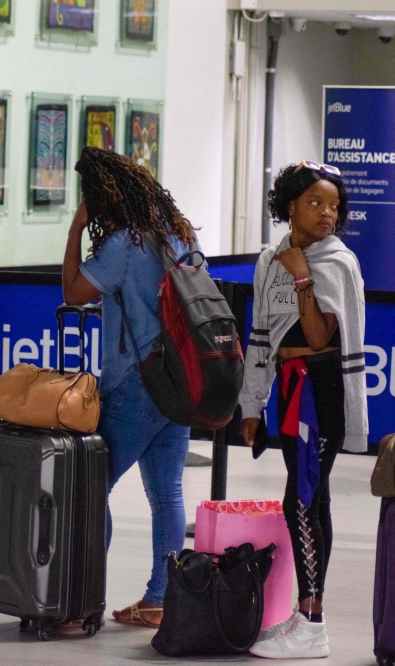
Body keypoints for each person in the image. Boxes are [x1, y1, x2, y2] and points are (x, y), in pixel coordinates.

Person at [61, 147, 195, 629]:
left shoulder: (123, 244)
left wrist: (77, 229)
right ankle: (160, 598)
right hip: (179, 379)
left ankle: (82, 600)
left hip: (137, 382)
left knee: (91, 489)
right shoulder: (179, 235)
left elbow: (73, 291)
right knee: (167, 494)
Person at [242, 162, 367, 659]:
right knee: (315, 501)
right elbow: (259, 338)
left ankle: (312, 623)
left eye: (334, 205)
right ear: (289, 205)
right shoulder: (270, 258)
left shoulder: (336, 261)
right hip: (292, 390)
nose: (327, 214)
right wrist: (252, 405)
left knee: (301, 499)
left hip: (322, 390)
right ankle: (305, 613)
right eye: (316, 203)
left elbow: (318, 337)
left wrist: (302, 280)